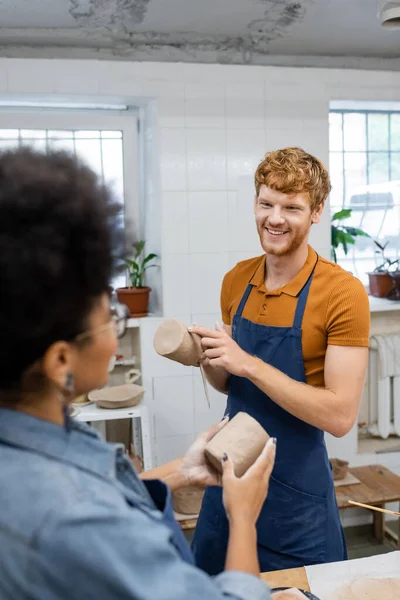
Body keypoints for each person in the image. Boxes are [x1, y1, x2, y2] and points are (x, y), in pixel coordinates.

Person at [0, 148, 308, 600]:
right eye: (111, 316)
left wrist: (181, 472)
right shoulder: (74, 519)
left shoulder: (42, 434)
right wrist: (243, 517)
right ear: (59, 361)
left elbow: (103, 489)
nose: (115, 327)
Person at [190, 147, 370, 575]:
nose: (275, 218)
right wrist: (210, 358)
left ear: (316, 212)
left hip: (296, 501)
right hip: (227, 477)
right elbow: (232, 385)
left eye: (292, 207)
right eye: (266, 203)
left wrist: (248, 362)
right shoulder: (237, 280)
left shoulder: (342, 293)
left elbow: (341, 416)